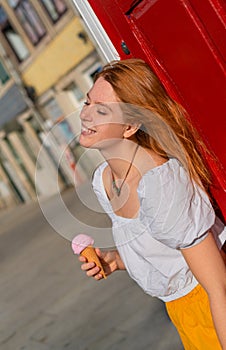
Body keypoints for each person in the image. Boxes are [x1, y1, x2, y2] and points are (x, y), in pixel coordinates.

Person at [77, 58, 226, 349]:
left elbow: (218, 288)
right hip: (184, 316)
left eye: (102, 110)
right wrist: (118, 260)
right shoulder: (104, 181)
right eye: (86, 102)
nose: (86, 115)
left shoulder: (162, 187)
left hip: (211, 309)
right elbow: (161, 250)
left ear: (130, 126)